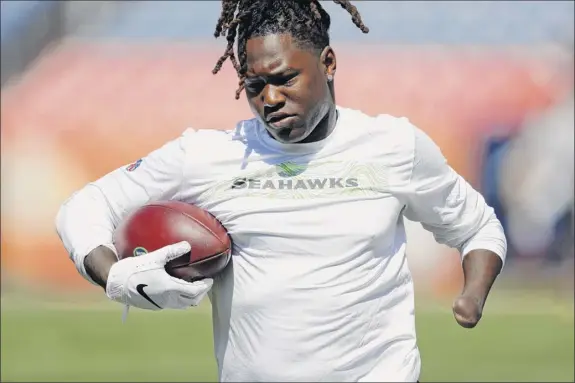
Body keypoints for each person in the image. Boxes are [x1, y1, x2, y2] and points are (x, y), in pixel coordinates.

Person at [55, 1, 507, 381]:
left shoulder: (395, 147)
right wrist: (112, 276)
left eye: (285, 78)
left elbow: (479, 228)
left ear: (328, 63)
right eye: (254, 85)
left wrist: (472, 294)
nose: (269, 99)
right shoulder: (207, 156)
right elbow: (83, 206)